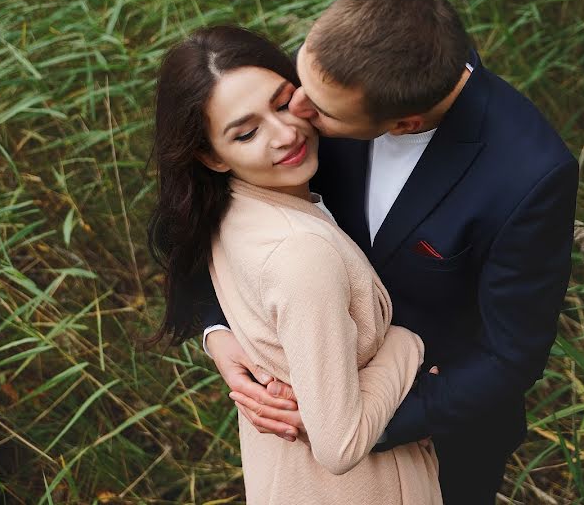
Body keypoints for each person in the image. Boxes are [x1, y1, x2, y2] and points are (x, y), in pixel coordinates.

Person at [199, 0, 579, 504]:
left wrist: (361, 422)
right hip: (297, 432)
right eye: (296, 84)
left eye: (321, 114)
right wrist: (217, 332)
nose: (296, 114)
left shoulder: (530, 174)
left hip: (441, 432)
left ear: (404, 123)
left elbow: (511, 354)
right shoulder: (329, 71)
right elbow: (199, 204)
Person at [145, 25, 444, 504]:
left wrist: (220, 334)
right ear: (211, 156)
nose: (286, 134)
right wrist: (406, 344)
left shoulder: (231, 206)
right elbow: (339, 444)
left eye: (284, 103)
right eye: (246, 133)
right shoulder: (300, 251)